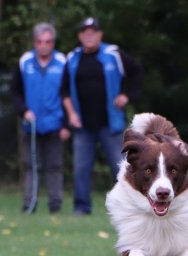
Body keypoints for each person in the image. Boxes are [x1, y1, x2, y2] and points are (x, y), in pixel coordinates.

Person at [62, 17, 143, 215]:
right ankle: (81, 208)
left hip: (111, 124)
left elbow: (137, 71)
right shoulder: (72, 58)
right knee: (81, 169)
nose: (89, 35)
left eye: (93, 31)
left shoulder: (113, 54)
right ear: (80, 36)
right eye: (85, 32)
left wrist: (126, 95)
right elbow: (64, 91)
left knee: (122, 168)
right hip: (82, 125)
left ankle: (131, 208)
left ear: (100, 35)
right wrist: (71, 114)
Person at [11, 22, 70, 214]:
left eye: (48, 41)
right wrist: (23, 110)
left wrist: (66, 125)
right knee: (31, 166)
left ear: (53, 43)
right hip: (32, 124)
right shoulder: (24, 62)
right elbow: (15, 92)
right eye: (40, 42)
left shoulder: (63, 62)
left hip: (55, 124)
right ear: (35, 43)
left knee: (55, 166)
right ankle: (30, 203)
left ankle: (55, 205)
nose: (44, 45)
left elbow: (69, 95)